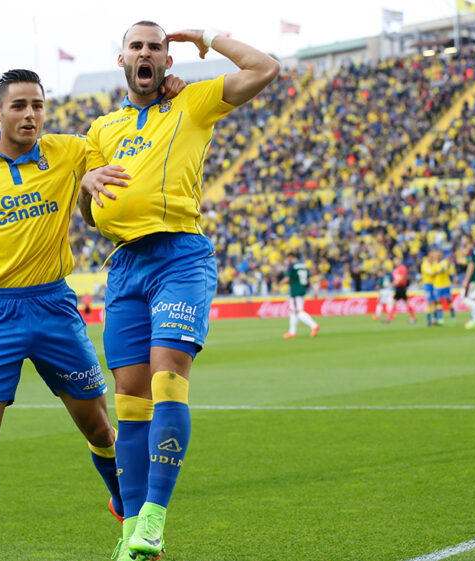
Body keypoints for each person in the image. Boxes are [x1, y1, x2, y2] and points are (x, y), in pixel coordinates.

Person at [0, 69, 184, 561]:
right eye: (19, 106)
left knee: (98, 426)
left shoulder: (68, 150)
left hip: (55, 308)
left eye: (38, 105)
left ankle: (123, 502)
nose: (30, 114)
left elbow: (125, 129)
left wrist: (164, 91)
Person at [79, 21, 279, 560]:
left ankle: (154, 519)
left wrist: (210, 38)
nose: (145, 53)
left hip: (178, 257)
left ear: (167, 61)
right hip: (122, 265)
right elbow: (90, 210)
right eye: (137, 46)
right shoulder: (101, 129)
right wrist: (84, 186)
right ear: (121, 57)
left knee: (168, 376)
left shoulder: (191, 103)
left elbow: (265, 69)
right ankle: (130, 540)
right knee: (130, 402)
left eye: (156, 47)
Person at [283, 252, 320, 339]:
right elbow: (309, 278)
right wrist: (314, 290)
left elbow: (287, 278)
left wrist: (278, 286)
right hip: (302, 290)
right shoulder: (304, 265)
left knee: (298, 311)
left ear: (291, 257)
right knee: (293, 311)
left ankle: (313, 325)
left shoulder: (293, 266)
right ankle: (292, 332)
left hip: (295, 291)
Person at [386, 255, 416, 324]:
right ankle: (389, 318)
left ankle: (389, 318)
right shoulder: (396, 269)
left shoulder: (402, 268)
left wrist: (392, 284)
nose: (395, 262)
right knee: (398, 302)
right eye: (394, 261)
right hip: (398, 288)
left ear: (399, 261)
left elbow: (401, 278)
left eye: (396, 260)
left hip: (401, 287)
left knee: (400, 302)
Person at [432, 248, 455, 325]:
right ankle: (440, 319)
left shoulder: (444, 262)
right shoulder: (434, 263)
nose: (438, 255)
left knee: (449, 301)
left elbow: (443, 271)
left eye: (439, 254)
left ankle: (453, 317)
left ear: (441, 255)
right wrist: (437, 272)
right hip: (437, 285)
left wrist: (437, 272)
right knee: (439, 301)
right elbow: (433, 273)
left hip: (446, 285)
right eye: (437, 254)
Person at [420, 251, 437, 327]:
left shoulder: (431, 264)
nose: (433, 258)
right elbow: (431, 273)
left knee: (433, 302)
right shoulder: (425, 264)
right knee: (430, 302)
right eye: (432, 256)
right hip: (427, 285)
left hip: (433, 284)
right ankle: (429, 321)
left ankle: (433, 320)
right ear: (428, 257)